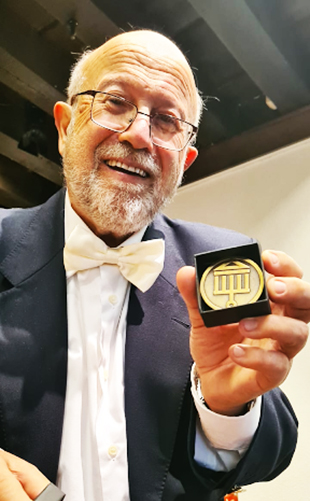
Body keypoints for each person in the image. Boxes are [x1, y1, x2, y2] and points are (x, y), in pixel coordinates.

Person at [0, 29, 308, 501]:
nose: (138, 133)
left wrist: (227, 408)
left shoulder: (221, 265)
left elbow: (274, 451)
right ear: (64, 128)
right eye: (116, 101)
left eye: (166, 120)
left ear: (184, 160)